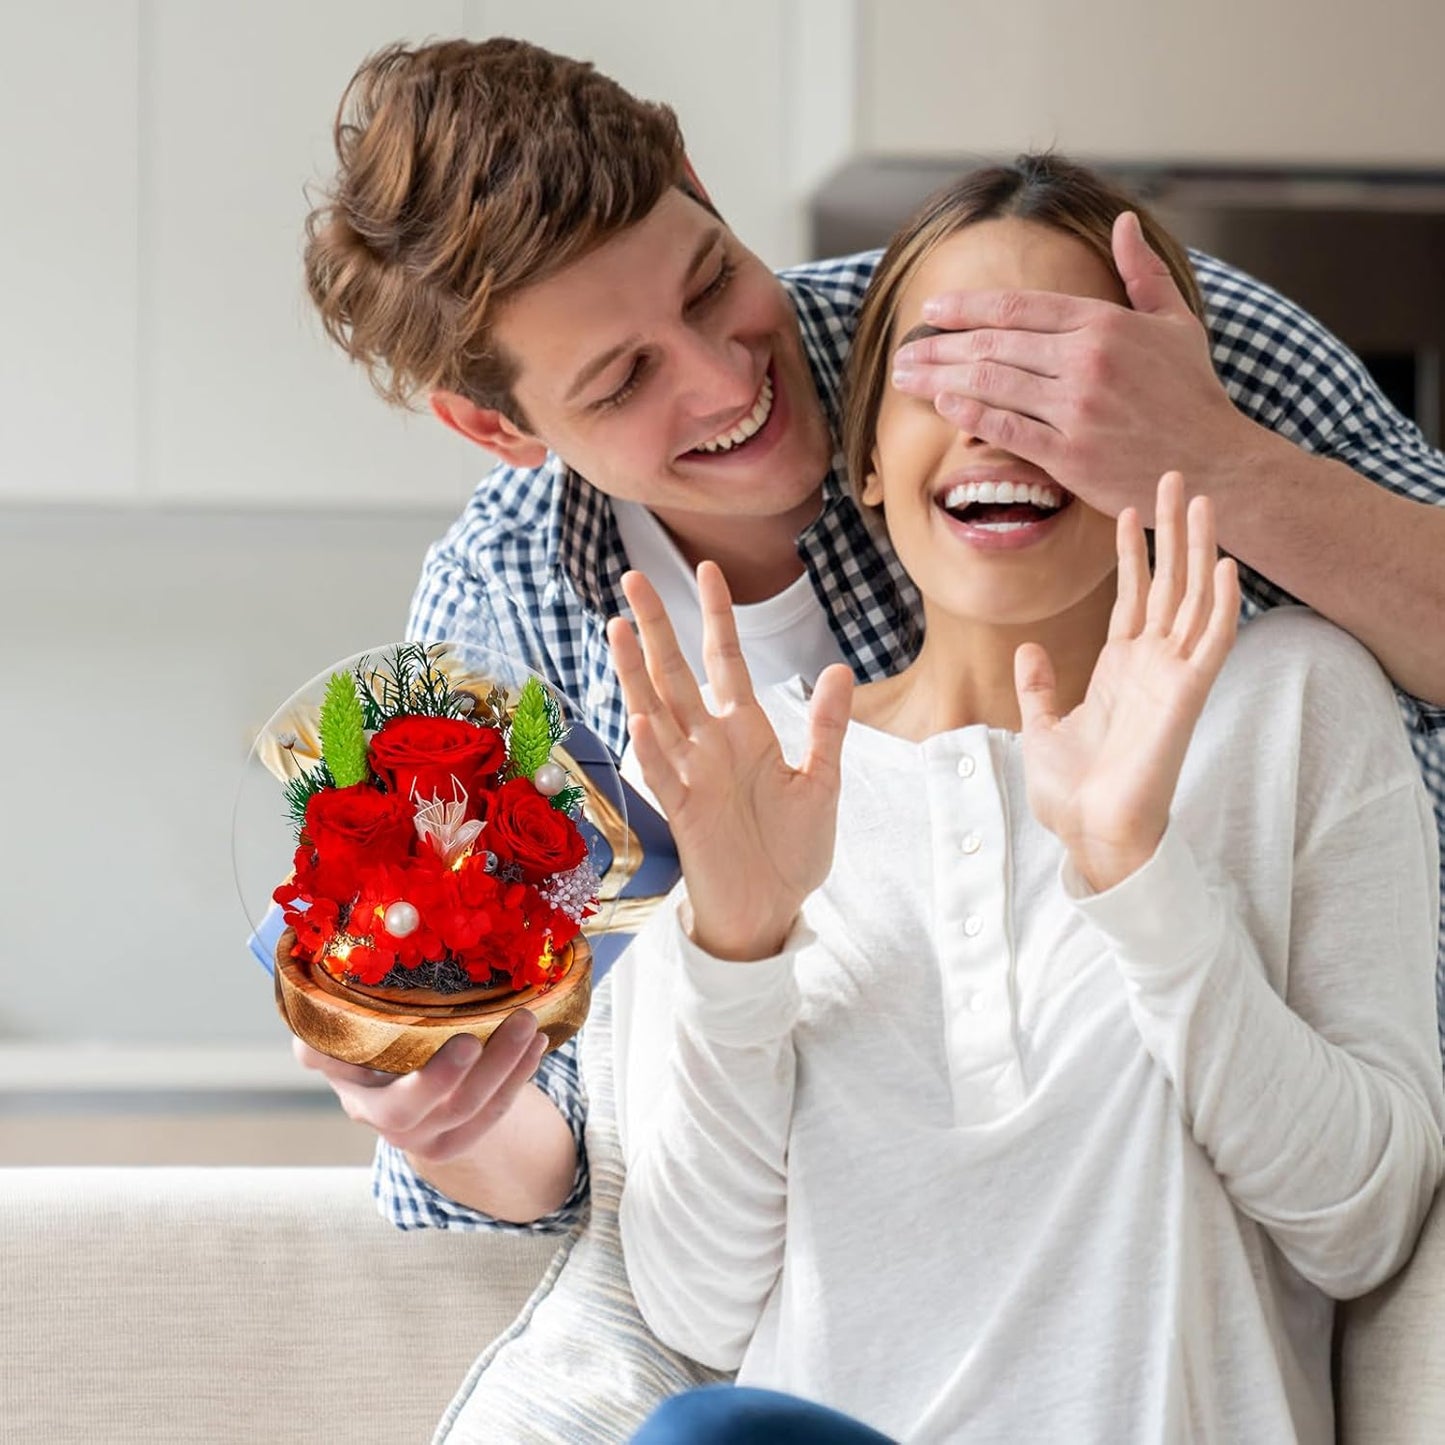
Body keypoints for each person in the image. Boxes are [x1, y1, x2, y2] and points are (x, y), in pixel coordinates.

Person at [296, 38, 1445, 1242]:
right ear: (495, 424)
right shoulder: (501, 625)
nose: (722, 374)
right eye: (624, 378)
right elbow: (561, 1168)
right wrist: (439, 1104)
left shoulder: (1055, 326)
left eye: (706, 286)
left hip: (1294, 1161)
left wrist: (1213, 458)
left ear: (698, 177)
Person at [604, 157, 1445, 1442]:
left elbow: (1365, 1226)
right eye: (944, 360)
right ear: (871, 458)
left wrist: (1137, 874)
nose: (996, 416)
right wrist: (739, 940)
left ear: (1148, 431)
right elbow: (695, 1306)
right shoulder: (753, 770)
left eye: (1050, 365)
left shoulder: (1286, 704)